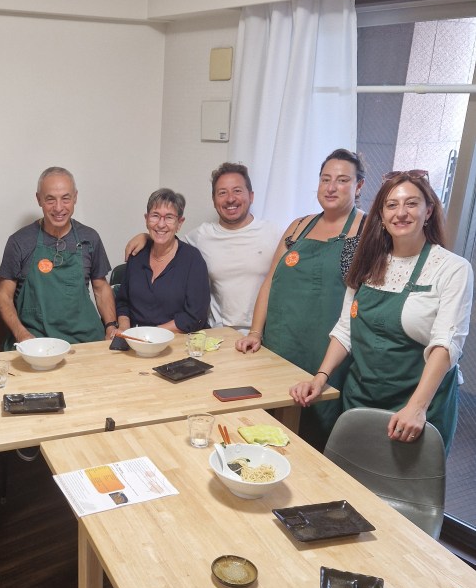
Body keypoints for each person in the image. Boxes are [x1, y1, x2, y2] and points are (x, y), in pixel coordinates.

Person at [290, 171, 473, 453]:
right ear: (382, 216)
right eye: (392, 205)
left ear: (428, 211)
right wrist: (320, 377)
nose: (401, 213)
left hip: (416, 410)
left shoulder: (452, 268)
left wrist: (416, 408)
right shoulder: (368, 263)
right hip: (360, 399)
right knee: (349, 475)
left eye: (411, 203)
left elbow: (446, 344)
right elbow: (345, 329)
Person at [235, 149, 367, 449]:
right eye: (325, 179)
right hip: (279, 346)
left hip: (325, 353)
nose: (331, 187)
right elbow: (270, 281)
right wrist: (255, 332)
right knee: (266, 430)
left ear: (358, 186)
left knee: (314, 436)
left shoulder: (367, 231)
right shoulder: (298, 227)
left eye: (342, 180)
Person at [125, 162, 279, 333]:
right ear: (214, 200)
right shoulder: (201, 236)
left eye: (237, 191)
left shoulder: (274, 235)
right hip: (217, 333)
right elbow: (167, 240)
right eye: (222, 192)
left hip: (261, 332)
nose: (230, 199)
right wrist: (146, 237)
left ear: (251, 196)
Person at [0, 167, 118, 345]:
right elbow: (4, 295)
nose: (58, 208)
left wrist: (111, 326)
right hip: (37, 340)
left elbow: (101, 288)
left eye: (65, 198)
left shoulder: (90, 237)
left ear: (75, 197)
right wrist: (21, 334)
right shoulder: (19, 241)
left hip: (85, 339)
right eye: (50, 199)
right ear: (39, 199)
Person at [115, 188, 210, 333]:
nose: (161, 224)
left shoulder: (193, 260)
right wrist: (124, 328)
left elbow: (195, 316)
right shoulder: (136, 254)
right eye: (155, 216)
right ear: (146, 219)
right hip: (135, 339)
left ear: (179, 223)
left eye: (169, 217)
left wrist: (153, 334)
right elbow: (123, 302)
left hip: (177, 339)